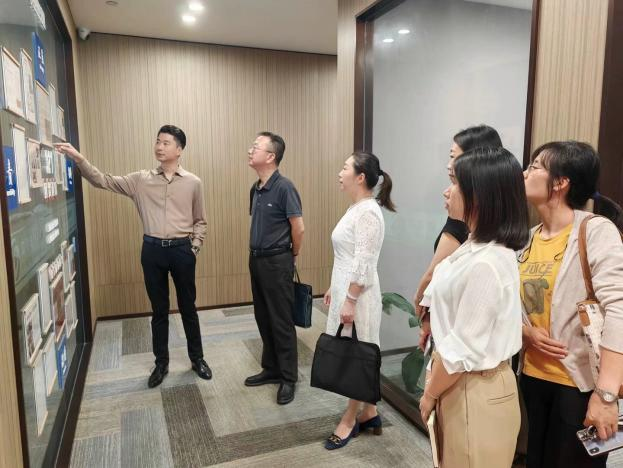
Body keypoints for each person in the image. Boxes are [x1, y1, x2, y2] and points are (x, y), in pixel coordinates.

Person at [54, 125, 211, 388]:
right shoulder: (140, 179)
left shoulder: (193, 182)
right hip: (152, 251)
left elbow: (200, 220)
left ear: (179, 149)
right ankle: (161, 363)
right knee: (159, 310)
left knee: (188, 307)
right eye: (157, 141)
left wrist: (194, 247)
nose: (159, 147)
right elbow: (102, 180)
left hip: (182, 250)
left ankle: (198, 359)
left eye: (166, 143)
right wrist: (79, 159)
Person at [419, 146, 529, 467]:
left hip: (473, 385)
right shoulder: (475, 246)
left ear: (478, 197)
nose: (447, 191)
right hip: (461, 382)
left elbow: (462, 349)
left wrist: (429, 395)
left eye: (455, 182)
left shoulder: (487, 261)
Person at [519, 141, 623, 468]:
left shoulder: (594, 230)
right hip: (532, 378)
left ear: (561, 182)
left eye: (535, 166)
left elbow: (619, 309)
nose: (525, 173)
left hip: (577, 386)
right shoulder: (527, 239)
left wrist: (606, 395)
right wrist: (525, 332)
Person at [322, 151, 395, 450]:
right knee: (359, 351)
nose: (340, 173)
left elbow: (364, 262)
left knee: (356, 355)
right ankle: (370, 412)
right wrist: (334, 287)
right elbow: (348, 255)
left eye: (345, 168)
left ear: (360, 177)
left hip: (360, 296)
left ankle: (350, 418)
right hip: (347, 288)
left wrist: (350, 299)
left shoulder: (368, 213)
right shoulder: (357, 208)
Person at [414, 125, 503, 350]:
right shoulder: (490, 210)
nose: (449, 165)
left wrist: (421, 301)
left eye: (454, 157)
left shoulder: (468, 217)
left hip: (456, 334)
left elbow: (433, 273)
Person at [244, 131, 305, 405]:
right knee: (263, 315)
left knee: (281, 320)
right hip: (256, 260)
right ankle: (271, 368)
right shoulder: (256, 188)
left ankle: (288, 377)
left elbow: (298, 228)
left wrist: (293, 255)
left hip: (278, 260)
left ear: (270, 156)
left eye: (255, 147)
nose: (250, 150)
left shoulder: (285, 187)